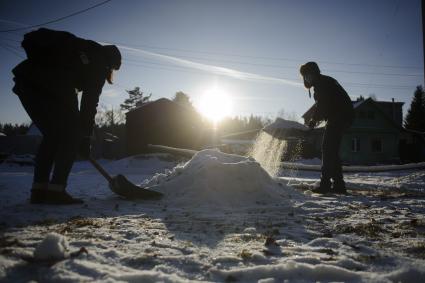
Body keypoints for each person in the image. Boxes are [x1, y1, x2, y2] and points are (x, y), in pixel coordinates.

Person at [11, 28, 121, 204]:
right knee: (73, 134)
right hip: (50, 86)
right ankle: (56, 191)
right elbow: (88, 104)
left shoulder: (80, 52)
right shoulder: (98, 62)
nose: (110, 73)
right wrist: (84, 137)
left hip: (26, 84)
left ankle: (39, 191)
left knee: (53, 136)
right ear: (110, 63)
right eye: (113, 69)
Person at [299, 62, 354, 194]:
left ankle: (325, 185)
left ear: (314, 73)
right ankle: (339, 186)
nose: (307, 79)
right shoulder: (324, 81)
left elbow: (322, 105)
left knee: (328, 149)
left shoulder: (322, 84)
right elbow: (322, 105)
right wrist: (315, 119)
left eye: (308, 75)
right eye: (305, 77)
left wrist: (313, 120)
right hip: (342, 116)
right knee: (332, 151)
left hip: (339, 116)